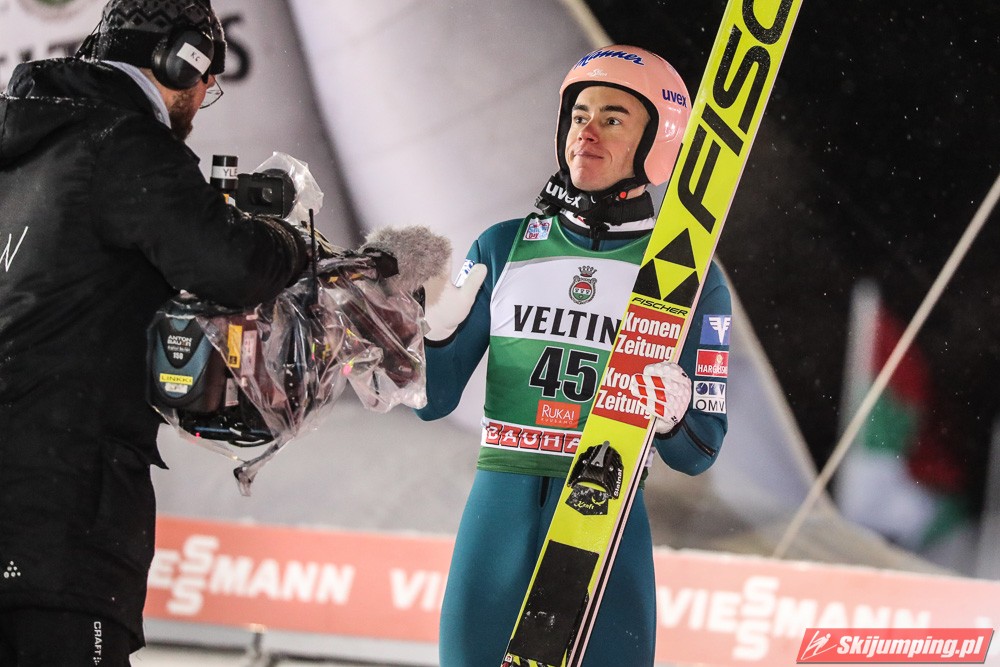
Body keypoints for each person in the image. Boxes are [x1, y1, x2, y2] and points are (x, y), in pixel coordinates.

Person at [0, 0, 309, 663]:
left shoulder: (26, 142)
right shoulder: (124, 144)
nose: (203, 97)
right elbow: (233, 265)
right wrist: (291, 241)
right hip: (56, 529)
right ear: (181, 62)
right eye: (206, 81)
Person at [416, 45, 732, 666]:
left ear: (656, 143)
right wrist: (429, 338)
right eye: (579, 115)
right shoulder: (502, 246)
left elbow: (700, 451)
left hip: (607, 516)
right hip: (498, 511)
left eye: (613, 118)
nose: (587, 132)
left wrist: (674, 417)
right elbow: (432, 401)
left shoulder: (689, 276)